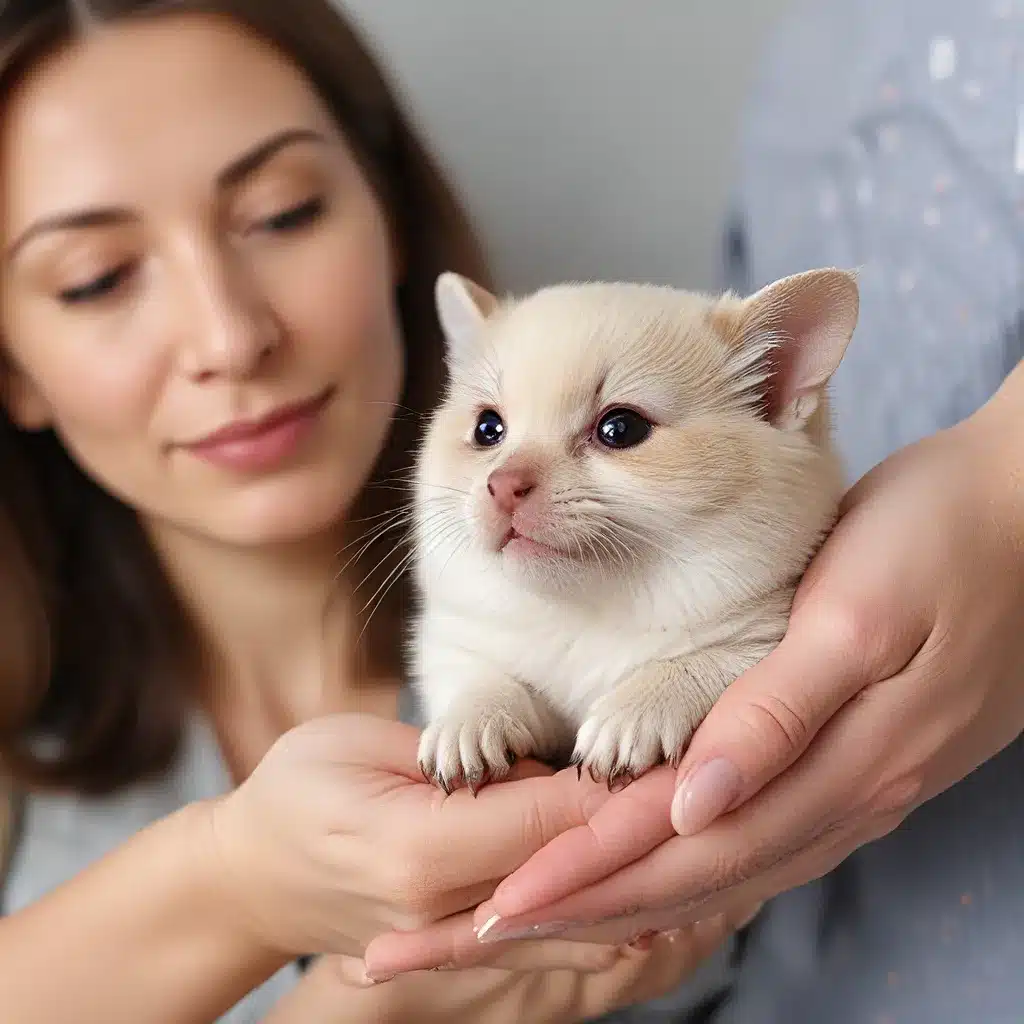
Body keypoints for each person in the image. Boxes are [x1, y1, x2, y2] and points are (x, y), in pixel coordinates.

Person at [0, 1, 762, 1021]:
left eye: (282, 214)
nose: (229, 336)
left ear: (389, 215)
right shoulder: (24, 749)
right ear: (14, 369)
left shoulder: (711, 622)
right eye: (95, 280)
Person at [365, 1, 1024, 1021]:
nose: (508, 478)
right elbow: (468, 656)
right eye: (488, 429)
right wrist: (482, 705)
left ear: (774, 396)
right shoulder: (826, 59)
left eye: (617, 428)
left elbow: (752, 640)